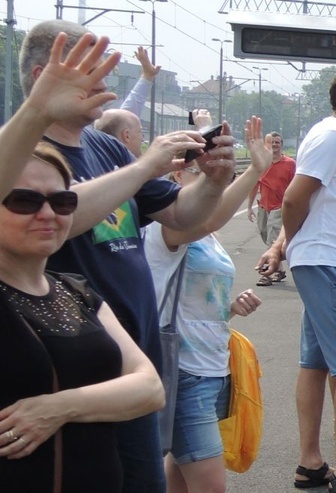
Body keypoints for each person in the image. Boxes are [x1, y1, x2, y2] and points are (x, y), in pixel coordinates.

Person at [20, 19, 235, 493]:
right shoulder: (23, 157)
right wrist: (142, 167)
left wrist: (213, 179)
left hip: (135, 359)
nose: (107, 84)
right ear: (42, 77)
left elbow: (180, 214)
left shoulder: (104, 148)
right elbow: (61, 220)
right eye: (93, 72)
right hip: (70, 364)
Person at [0, 37, 164, 487]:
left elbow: (148, 388)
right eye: (23, 200)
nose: (47, 213)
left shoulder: (77, 292)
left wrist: (54, 408)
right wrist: (36, 111)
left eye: (63, 201)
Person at [257, 67, 336, 493]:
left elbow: (317, 198)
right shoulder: (331, 136)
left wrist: (283, 248)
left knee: (316, 362)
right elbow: (295, 197)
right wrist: (293, 245)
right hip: (329, 264)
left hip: (331, 262)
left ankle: (310, 464)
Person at [145, 115, 268, 493]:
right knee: (209, 485)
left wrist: (230, 307)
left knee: (179, 475)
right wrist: (250, 174)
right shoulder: (169, 227)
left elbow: (191, 300)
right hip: (185, 371)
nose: (209, 186)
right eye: (198, 176)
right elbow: (210, 215)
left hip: (212, 365)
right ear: (176, 177)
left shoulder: (206, 237)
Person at [247, 131, 296, 286]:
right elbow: (254, 185)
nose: (274, 145)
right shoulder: (262, 163)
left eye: (277, 142)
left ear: (281, 145)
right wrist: (249, 207)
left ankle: (267, 273)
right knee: (264, 233)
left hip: (279, 207)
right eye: (271, 142)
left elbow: (295, 185)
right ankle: (280, 270)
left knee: (272, 239)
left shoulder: (289, 164)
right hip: (264, 206)